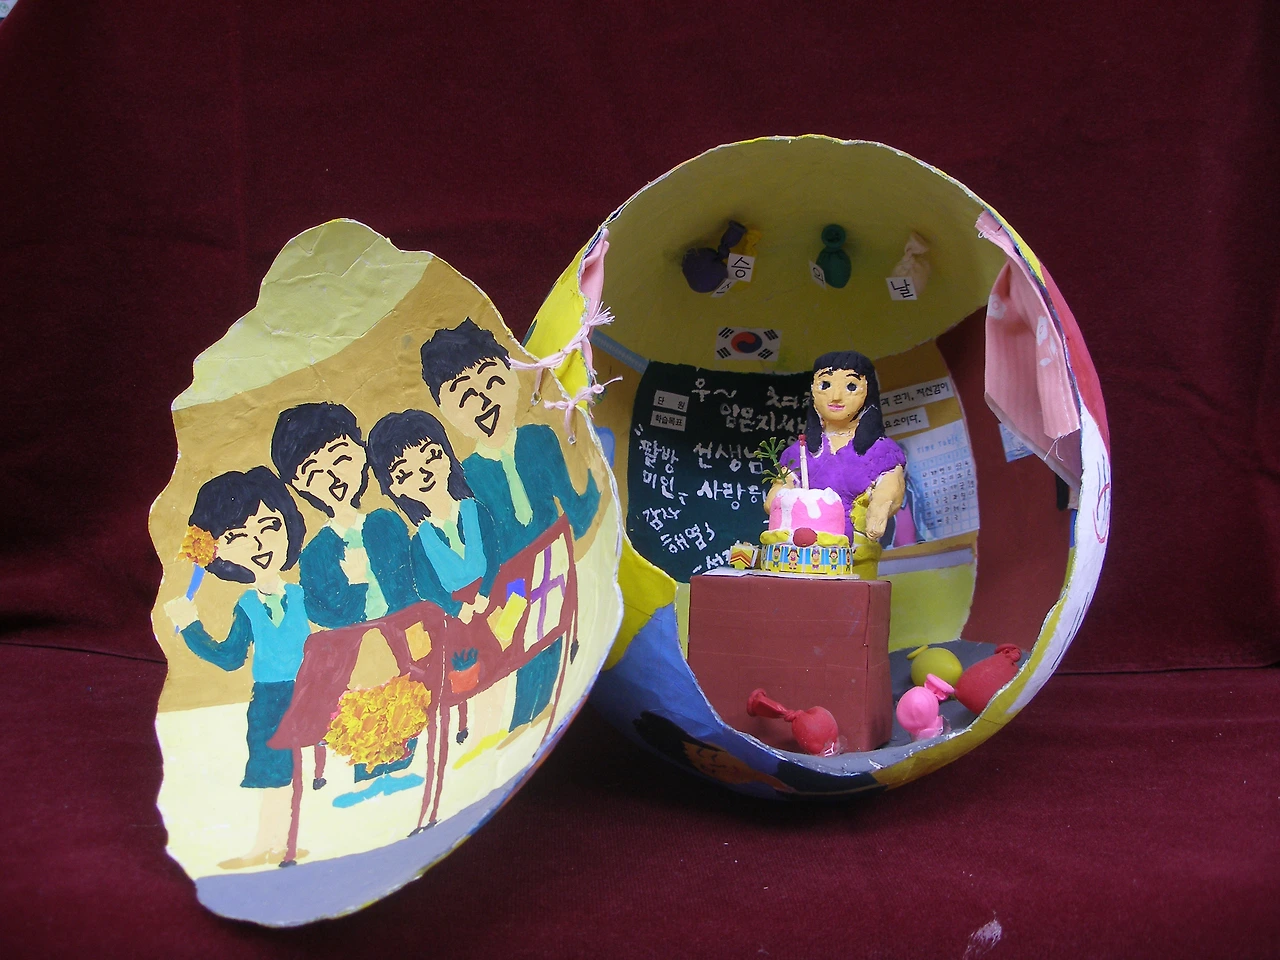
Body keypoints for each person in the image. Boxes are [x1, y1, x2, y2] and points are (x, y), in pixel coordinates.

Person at [420, 318, 600, 735]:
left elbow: (577, 515)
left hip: (556, 576)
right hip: (506, 596)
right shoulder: (463, 479)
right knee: (522, 665)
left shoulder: (540, 440)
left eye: (492, 382)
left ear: (514, 378)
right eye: (464, 396)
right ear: (445, 412)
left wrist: (594, 472)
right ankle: (522, 725)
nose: (482, 401)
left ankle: (533, 722)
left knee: (549, 662)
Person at [271, 402, 422, 800]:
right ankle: (369, 774)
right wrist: (355, 588)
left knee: (402, 698)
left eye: (340, 459)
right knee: (358, 703)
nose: (333, 477)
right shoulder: (316, 553)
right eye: (314, 472)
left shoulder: (385, 522)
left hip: (404, 641)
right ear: (299, 485)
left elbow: (408, 584)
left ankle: (401, 766)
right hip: (355, 661)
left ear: (360, 453)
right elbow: (324, 614)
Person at [163, 467, 309, 869]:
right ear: (219, 552)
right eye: (237, 537)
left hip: (308, 690)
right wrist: (190, 626)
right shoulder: (246, 606)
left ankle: (280, 842)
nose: (257, 544)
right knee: (272, 774)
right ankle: (270, 843)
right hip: (269, 700)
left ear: (288, 526)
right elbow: (230, 657)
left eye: (269, 527)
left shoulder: (303, 595)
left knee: (291, 773)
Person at [368, 409, 506, 752]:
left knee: (503, 651)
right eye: (405, 473)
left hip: (492, 598)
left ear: (447, 455)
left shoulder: (475, 511)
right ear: (395, 487)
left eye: (431, 456)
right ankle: (468, 722)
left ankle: (498, 712)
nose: (423, 473)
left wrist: (486, 592)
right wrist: (455, 608)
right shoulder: (421, 540)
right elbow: (427, 586)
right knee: (462, 666)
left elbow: (493, 553)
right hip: (456, 615)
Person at [767, 350, 907, 567]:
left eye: (851, 386)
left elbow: (890, 486)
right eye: (825, 385)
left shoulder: (881, 451)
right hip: (801, 556)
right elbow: (780, 489)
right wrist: (778, 497)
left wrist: (880, 505)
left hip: (857, 555)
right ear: (813, 390)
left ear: (868, 390)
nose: (836, 397)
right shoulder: (800, 451)